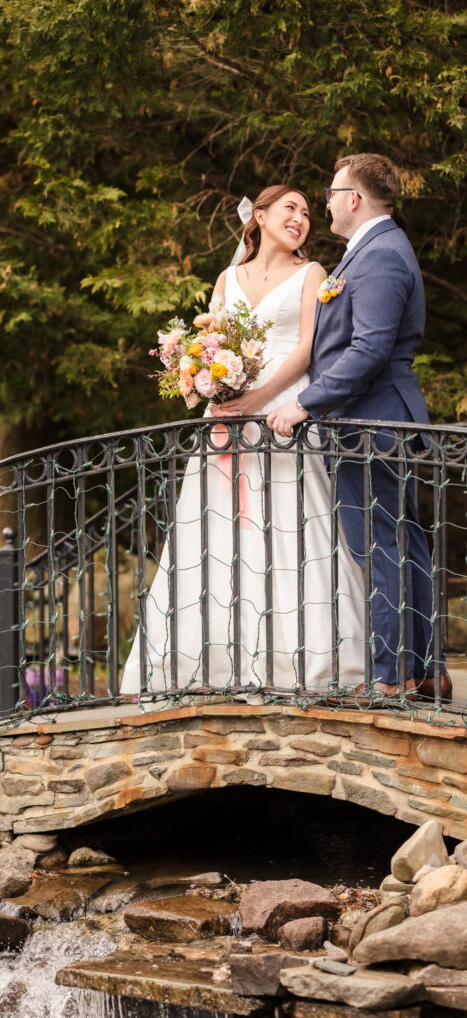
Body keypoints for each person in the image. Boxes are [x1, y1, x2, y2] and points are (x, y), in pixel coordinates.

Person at [120, 185, 367, 695]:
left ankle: (304, 661)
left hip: (282, 409)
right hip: (226, 417)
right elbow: (210, 338)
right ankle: (208, 660)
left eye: (305, 212)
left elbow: (305, 349)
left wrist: (261, 398)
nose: (299, 219)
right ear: (260, 216)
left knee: (288, 522)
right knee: (218, 528)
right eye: (289, 209)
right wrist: (203, 376)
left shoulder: (312, 273)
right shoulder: (227, 277)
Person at [268, 154, 450, 701]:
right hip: (375, 418)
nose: (324, 202)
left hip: (372, 421)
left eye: (330, 192)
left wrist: (306, 401)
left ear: (354, 199)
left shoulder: (382, 257)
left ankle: (390, 676)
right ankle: (424, 670)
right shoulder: (373, 251)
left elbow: (370, 348)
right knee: (403, 543)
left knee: (381, 546)